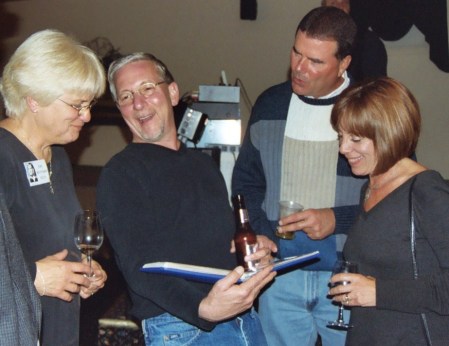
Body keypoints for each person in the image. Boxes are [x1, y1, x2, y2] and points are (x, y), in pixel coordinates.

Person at [96, 52, 277, 346]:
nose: (138, 103)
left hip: (243, 318)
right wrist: (202, 309)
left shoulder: (203, 164)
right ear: (120, 109)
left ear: (172, 92)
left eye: (147, 89)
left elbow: (220, 241)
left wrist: (253, 251)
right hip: (181, 328)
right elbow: (139, 267)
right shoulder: (120, 173)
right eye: (127, 97)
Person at [232, 6, 366, 346]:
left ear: (344, 63)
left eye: (316, 61)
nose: (299, 68)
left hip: (348, 278)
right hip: (279, 278)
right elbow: (246, 182)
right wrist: (262, 235)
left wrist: (338, 219)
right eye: (296, 53)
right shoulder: (271, 104)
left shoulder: (372, 110)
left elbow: (398, 197)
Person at [0, 29, 108, 346]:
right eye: (77, 105)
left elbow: (47, 239)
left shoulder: (57, 157)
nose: (86, 116)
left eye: (89, 104)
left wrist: (83, 269)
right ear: (34, 99)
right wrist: (34, 277)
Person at [328, 77, 449, 345]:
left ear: (388, 133)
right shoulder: (370, 187)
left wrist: (378, 292)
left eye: (355, 139)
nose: (343, 148)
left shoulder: (426, 191)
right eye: (341, 136)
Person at [321, 0, 388, 81]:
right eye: (334, 3)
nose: (340, 7)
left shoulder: (368, 41)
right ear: (324, 8)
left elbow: (375, 85)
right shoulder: (314, 39)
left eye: (344, 3)